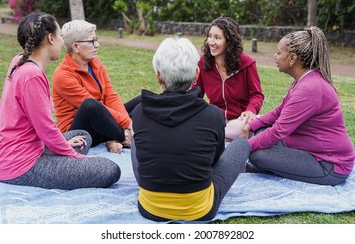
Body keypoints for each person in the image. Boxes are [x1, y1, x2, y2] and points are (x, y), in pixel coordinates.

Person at [131, 37, 250, 222]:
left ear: (158, 76)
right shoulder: (213, 115)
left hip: (150, 207)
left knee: (136, 139)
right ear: (196, 75)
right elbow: (215, 160)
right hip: (199, 209)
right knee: (242, 144)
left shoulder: (139, 112)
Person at [0, 12, 121, 190]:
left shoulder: (19, 61)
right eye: (60, 36)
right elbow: (46, 129)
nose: (62, 43)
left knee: (83, 137)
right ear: (50, 38)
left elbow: (43, 130)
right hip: (21, 164)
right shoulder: (31, 75)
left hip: (30, 148)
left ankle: (62, 156)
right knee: (110, 169)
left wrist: (64, 144)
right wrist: (78, 158)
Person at [241, 26, 355, 186]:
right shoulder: (303, 81)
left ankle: (265, 165)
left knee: (257, 154)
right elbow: (279, 112)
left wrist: (241, 148)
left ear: (293, 58)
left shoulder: (310, 88)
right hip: (309, 150)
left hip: (329, 165)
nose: (275, 56)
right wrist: (251, 126)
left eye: (279, 53)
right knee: (259, 133)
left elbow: (278, 131)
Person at [52, 20, 140, 153]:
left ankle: (115, 137)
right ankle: (123, 137)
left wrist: (127, 122)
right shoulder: (63, 75)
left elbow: (111, 97)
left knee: (142, 100)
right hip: (80, 131)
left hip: (104, 121)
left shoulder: (96, 64)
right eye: (92, 41)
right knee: (90, 105)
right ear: (76, 47)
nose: (97, 45)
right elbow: (93, 109)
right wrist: (126, 127)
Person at [193, 17, 264, 141]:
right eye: (209, 36)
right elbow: (196, 94)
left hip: (239, 121)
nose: (211, 42)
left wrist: (250, 111)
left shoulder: (247, 63)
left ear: (229, 41)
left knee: (247, 126)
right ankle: (224, 138)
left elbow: (256, 94)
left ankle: (220, 137)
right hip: (215, 120)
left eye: (217, 38)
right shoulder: (203, 62)